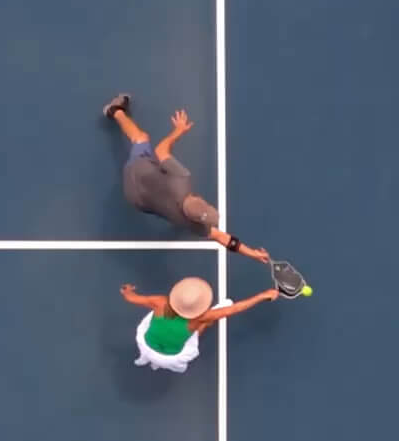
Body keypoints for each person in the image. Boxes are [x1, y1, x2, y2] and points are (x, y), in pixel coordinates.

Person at [104, 94, 270, 264]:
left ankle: (115, 111)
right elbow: (224, 239)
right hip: (134, 198)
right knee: (153, 206)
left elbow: (161, 150)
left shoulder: (182, 179)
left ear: (198, 199)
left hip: (138, 169)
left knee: (141, 138)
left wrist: (178, 131)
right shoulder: (192, 225)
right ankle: (116, 111)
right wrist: (253, 254)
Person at [120, 277, 278, 374]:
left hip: (146, 345)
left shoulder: (160, 302)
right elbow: (234, 308)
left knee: (154, 327)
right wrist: (262, 296)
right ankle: (156, 362)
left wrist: (127, 291)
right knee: (205, 323)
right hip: (171, 358)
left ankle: (145, 359)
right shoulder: (199, 317)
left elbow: (131, 298)